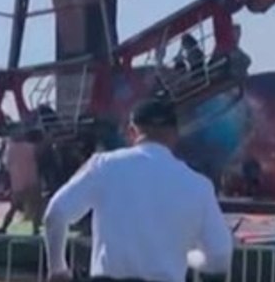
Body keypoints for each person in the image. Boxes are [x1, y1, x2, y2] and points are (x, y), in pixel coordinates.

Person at [42, 98, 233, 282]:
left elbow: (56, 214)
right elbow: (220, 257)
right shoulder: (198, 185)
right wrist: (189, 256)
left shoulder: (103, 165)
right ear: (175, 134)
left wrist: (58, 269)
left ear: (131, 132)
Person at [0, 128, 42, 234]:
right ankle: (35, 228)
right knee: (35, 206)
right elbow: (38, 156)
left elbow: (6, 166)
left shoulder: (10, 149)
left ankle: (3, 227)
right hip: (31, 180)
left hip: (17, 182)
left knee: (14, 207)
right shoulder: (30, 147)